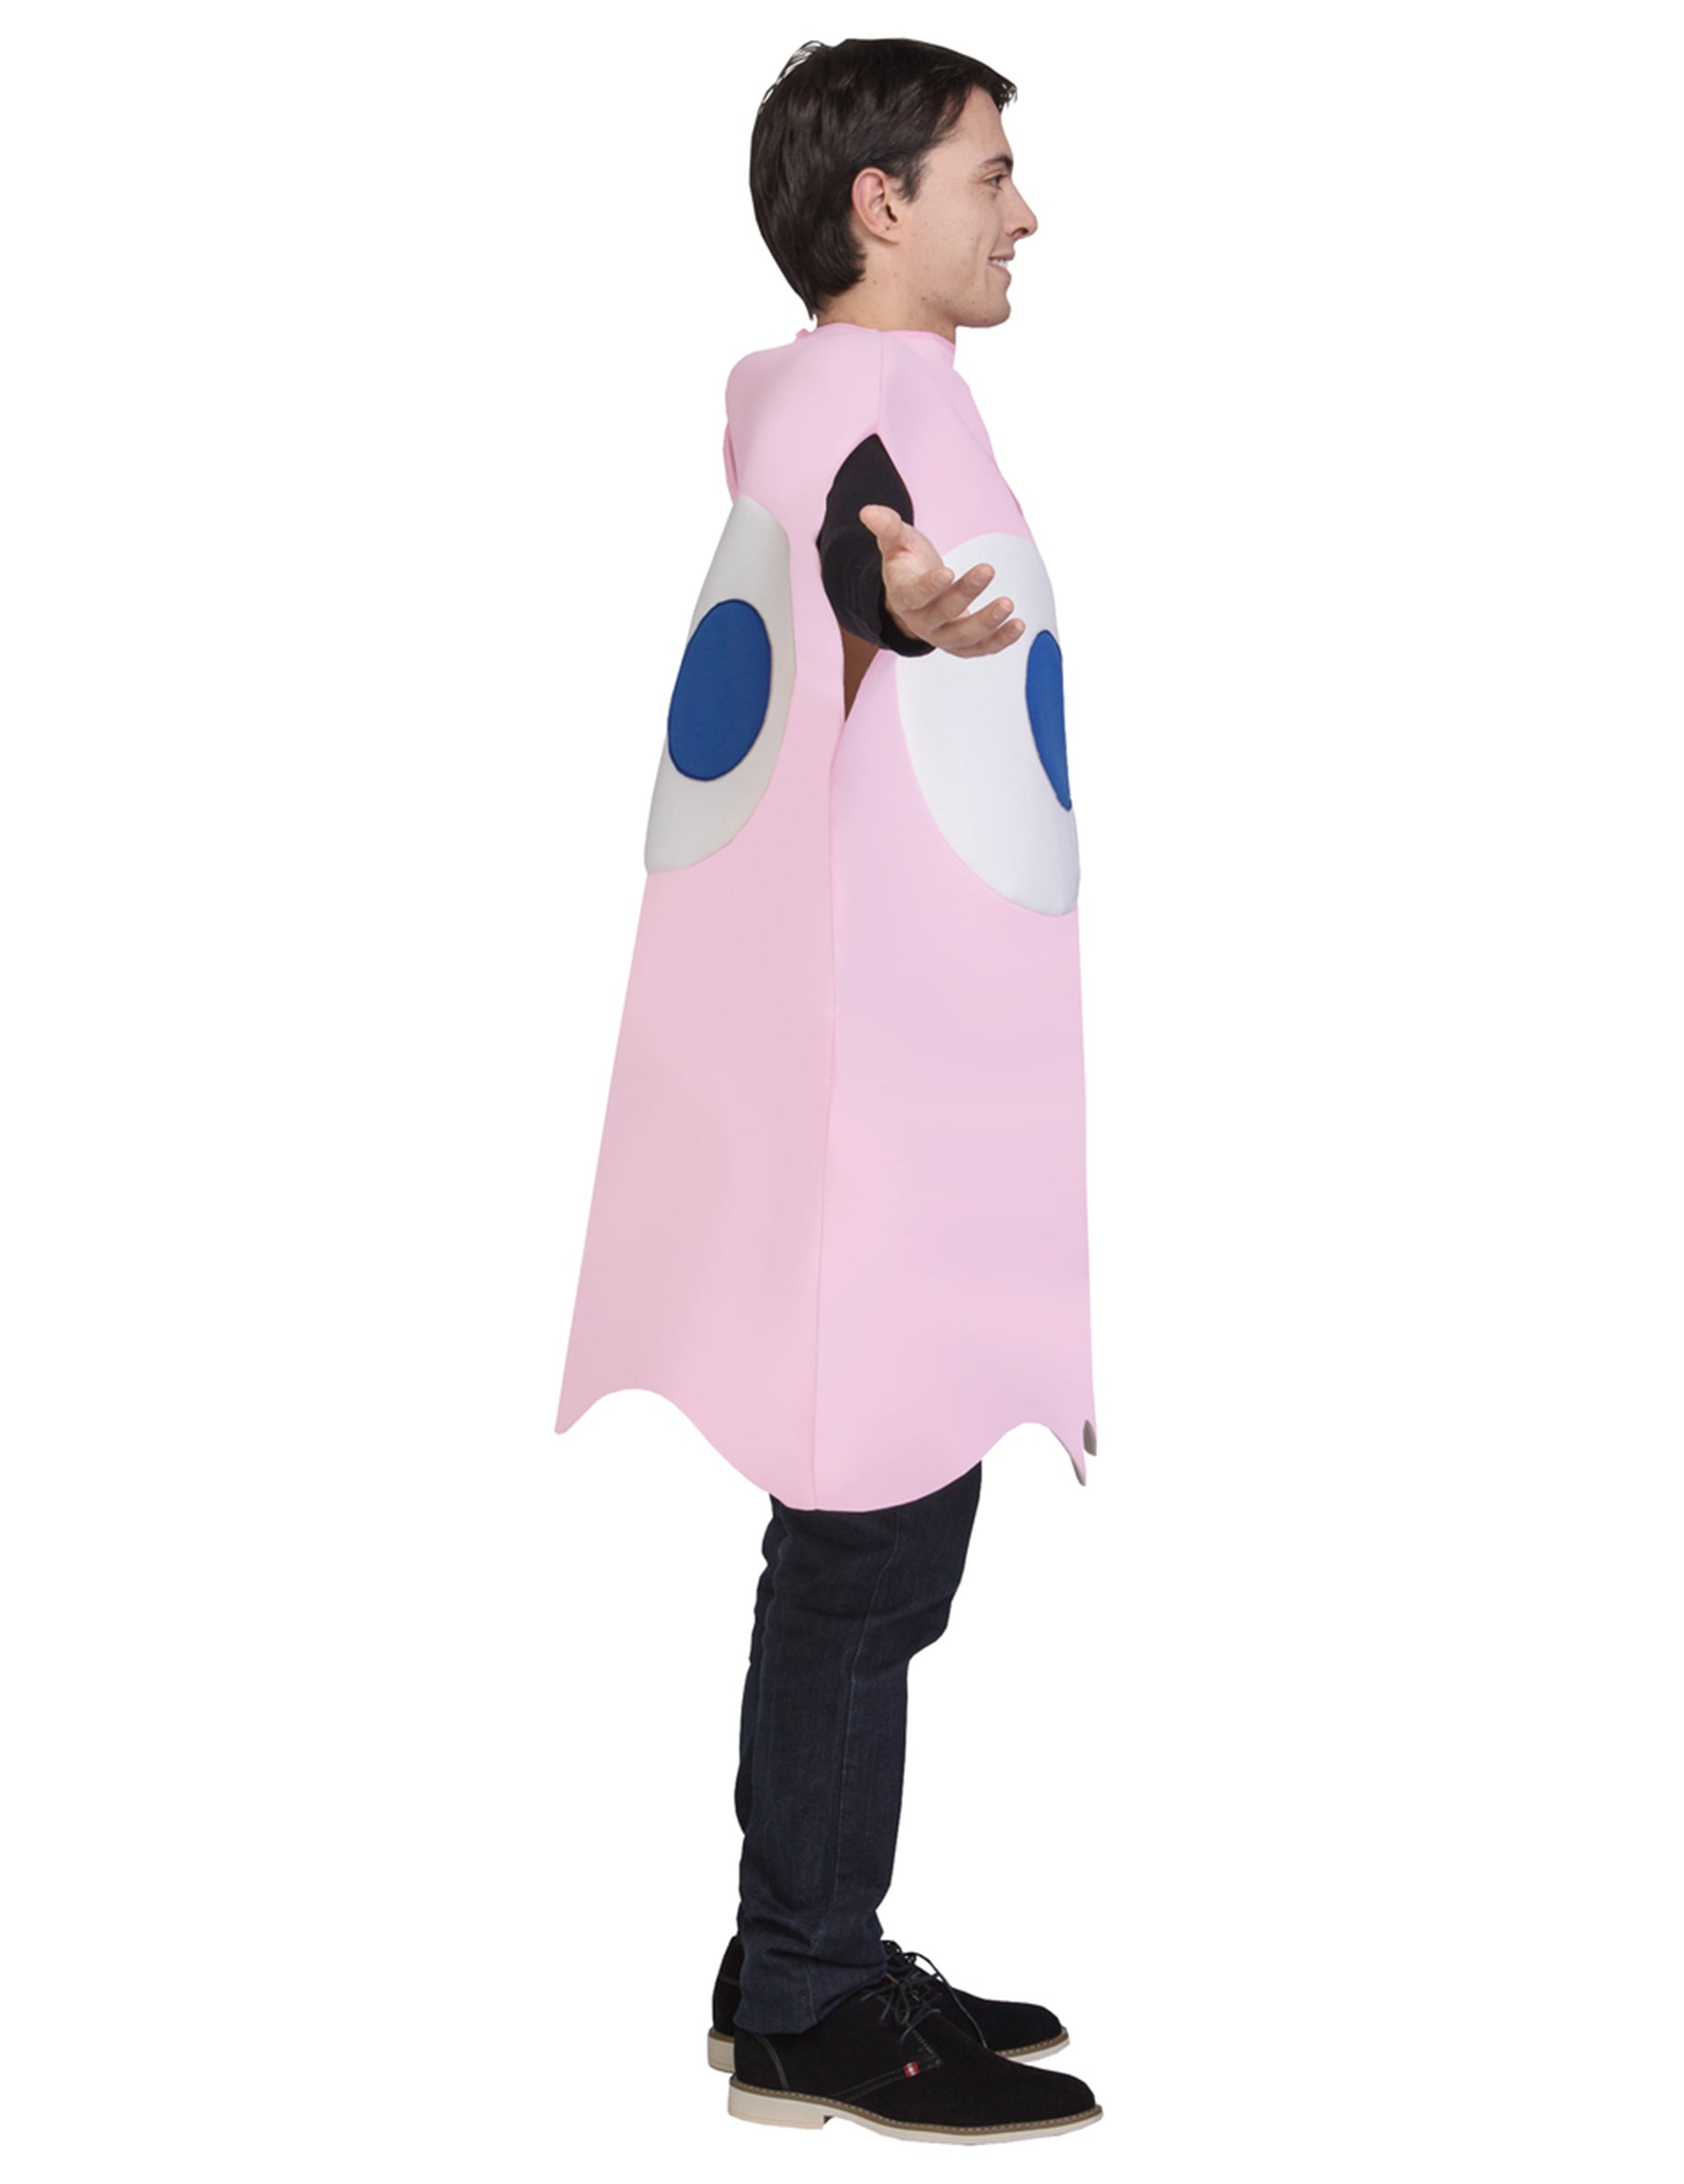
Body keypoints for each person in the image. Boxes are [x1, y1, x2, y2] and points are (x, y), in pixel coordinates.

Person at [552, 36, 1101, 2143]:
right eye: (990, 171)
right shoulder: (854, 406)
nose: (1023, 212)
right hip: (875, 1107)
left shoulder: (865, 394)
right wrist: (898, 599)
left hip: (920, 1091)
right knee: (865, 1549)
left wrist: (898, 602)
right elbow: (848, 545)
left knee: (886, 1541)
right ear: (882, 202)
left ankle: (801, 1952)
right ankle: (802, 1994)